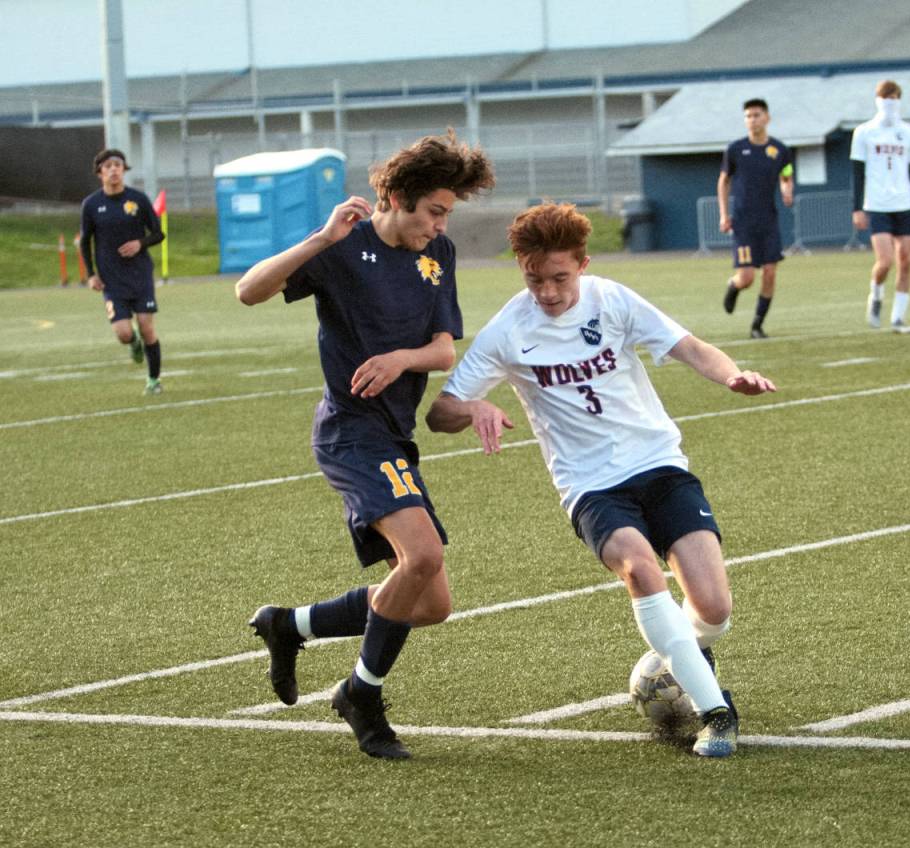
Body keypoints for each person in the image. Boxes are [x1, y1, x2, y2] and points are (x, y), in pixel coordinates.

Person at [426, 203, 777, 758]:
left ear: (583, 265)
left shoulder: (612, 300)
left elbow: (689, 347)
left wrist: (732, 373)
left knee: (713, 608)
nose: (546, 291)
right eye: (533, 277)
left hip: (659, 464)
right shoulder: (507, 331)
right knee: (640, 568)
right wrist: (472, 409)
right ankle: (716, 712)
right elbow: (439, 411)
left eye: (560, 277)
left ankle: (669, 661)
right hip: (590, 487)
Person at [236, 130, 495, 760]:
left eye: (446, 214)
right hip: (350, 432)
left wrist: (397, 358)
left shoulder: (440, 254)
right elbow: (249, 291)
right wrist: (320, 239)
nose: (439, 224)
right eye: (433, 211)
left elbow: (441, 349)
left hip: (395, 435)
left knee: (430, 603)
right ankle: (362, 694)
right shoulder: (343, 247)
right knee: (424, 556)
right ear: (398, 198)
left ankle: (288, 624)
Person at [80, 149, 166, 394]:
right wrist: (90, 274)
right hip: (111, 279)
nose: (114, 170)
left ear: (124, 170)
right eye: (108, 166)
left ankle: (153, 380)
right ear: (100, 173)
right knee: (123, 332)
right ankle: (133, 343)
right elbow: (85, 241)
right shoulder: (91, 205)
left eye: (118, 165)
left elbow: (159, 233)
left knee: (147, 326)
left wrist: (140, 243)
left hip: (139, 275)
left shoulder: (137, 200)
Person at [851, 79, 910, 334]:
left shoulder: (909, 133)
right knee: (884, 261)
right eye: (886, 97)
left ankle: (898, 318)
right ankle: (875, 294)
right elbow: (857, 172)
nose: (890, 102)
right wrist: (857, 208)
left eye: (894, 97)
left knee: (905, 260)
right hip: (877, 203)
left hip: (903, 203)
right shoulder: (864, 132)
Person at [717, 98, 794, 339]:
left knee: (770, 272)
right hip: (743, 223)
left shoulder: (779, 150)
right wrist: (723, 214)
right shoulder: (736, 149)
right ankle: (734, 285)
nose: (753, 120)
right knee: (747, 277)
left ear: (767, 118)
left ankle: (757, 325)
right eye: (749, 116)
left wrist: (787, 189)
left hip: (768, 221)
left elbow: (787, 175)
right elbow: (723, 181)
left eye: (757, 115)